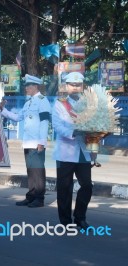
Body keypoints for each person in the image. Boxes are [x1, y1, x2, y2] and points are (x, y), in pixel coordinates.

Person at [0, 74, 51, 208]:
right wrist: (3, 110)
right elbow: (17, 117)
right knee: (31, 170)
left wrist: (42, 142)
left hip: (37, 142)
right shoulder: (28, 103)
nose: (26, 88)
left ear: (35, 87)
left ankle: (39, 198)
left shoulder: (42, 100)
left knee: (38, 171)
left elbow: (45, 122)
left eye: (28, 86)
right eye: (26, 86)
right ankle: (31, 196)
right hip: (28, 142)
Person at [52, 72, 93, 229]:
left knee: (87, 186)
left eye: (78, 85)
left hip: (83, 152)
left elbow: (96, 124)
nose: (75, 88)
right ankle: (65, 221)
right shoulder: (59, 104)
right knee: (64, 188)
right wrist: (73, 132)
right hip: (65, 152)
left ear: (82, 86)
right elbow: (57, 126)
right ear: (66, 86)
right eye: (72, 85)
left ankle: (80, 217)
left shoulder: (90, 105)